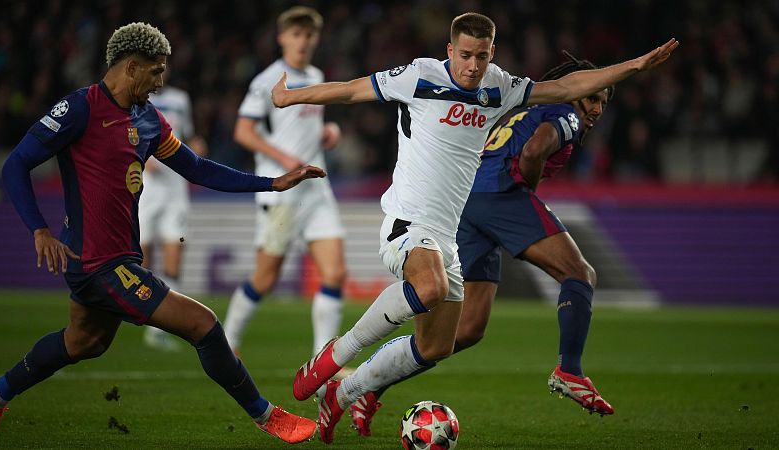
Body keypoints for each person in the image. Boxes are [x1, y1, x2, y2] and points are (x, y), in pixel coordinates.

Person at [273, 12, 677, 444]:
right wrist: (290, 97)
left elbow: (563, 87)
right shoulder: (420, 76)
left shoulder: (499, 86)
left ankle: (343, 393)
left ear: (491, 54)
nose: (472, 66)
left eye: (481, 57)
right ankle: (335, 355)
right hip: (408, 221)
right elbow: (352, 90)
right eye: (464, 55)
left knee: (439, 345)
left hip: (449, 236)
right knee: (430, 287)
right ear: (450, 50)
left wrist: (635, 66)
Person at [0, 22, 325, 448]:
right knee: (203, 324)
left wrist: (271, 183)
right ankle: (267, 416)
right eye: (156, 71)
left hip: (118, 257)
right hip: (96, 263)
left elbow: (196, 168)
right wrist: (39, 230)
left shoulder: (147, 119)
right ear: (131, 67)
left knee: (84, 341)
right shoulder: (80, 109)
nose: (161, 81)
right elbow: (15, 164)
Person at [349, 51, 620, 437]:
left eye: (603, 103)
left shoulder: (532, 111)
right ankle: (570, 371)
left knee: (465, 329)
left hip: (467, 204)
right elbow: (533, 151)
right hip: (499, 194)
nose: (595, 108)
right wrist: (526, 190)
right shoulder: (566, 113)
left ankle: (370, 386)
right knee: (580, 274)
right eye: (593, 97)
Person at [223, 6, 348, 362]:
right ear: (282, 38)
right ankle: (226, 343)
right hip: (283, 193)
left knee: (335, 273)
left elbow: (304, 128)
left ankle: (322, 362)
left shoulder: (316, 75)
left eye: (309, 35)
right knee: (264, 279)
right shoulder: (268, 80)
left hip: (317, 189)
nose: (303, 41)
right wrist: (284, 160)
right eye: (296, 34)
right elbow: (243, 131)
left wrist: (327, 132)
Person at [140, 77, 207, 351]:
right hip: (145, 187)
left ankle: (161, 327)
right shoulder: (137, 98)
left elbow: (187, 136)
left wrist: (196, 146)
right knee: (141, 255)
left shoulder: (181, 99)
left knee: (174, 253)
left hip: (175, 187)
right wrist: (141, 157)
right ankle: (141, 313)